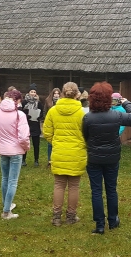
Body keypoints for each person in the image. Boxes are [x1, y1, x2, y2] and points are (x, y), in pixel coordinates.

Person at [82, 82, 131, 234]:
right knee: (111, 189)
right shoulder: (116, 115)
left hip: (94, 157)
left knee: (96, 190)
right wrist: (126, 102)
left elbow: (85, 136)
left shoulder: (88, 118)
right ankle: (113, 220)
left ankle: (100, 224)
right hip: (112, 157)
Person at [43, 82, 87, 227]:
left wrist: (56, 143)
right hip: (77, 152)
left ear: (62, 93)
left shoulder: (53, 111)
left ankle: (56, 217)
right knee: (74, 186)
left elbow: (47, 132)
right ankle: (71, 216)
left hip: (59, 151)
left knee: (59, 185)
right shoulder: (82, 113)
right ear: (76, 94)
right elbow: (87, 134)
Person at [0, 89, 30, 220]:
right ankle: (6, 211)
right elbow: (23, 137)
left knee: (5, 178)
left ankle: (7, 204)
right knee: (12, 181)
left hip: (3, 150)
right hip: (16, 151)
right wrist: (26, 147)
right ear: (17, 101)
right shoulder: (19, 115)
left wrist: (0, 141)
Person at [22, 85, 44, 167]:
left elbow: (42, 112)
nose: (33, 93)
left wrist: (39, 116)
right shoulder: (24, 102)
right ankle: (23, 159)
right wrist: (27, 116)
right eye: (32, 91)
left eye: (34, 92)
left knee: (36, 144)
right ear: (28, 92)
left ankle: (36, 160)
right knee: (25, 143)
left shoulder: (38, 102)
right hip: (26, 124)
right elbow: (21, 112)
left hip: (35, 124)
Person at [43, 88, 61, 166]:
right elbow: (45, 111)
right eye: (55, 93)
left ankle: (58, 159)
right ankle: (50, 160)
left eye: (57, 93)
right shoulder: (48, 101)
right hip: (51, 124)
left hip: (59, 124)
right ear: (52, 94)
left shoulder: (62, 101)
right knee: (50, 143)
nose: (56, 95)